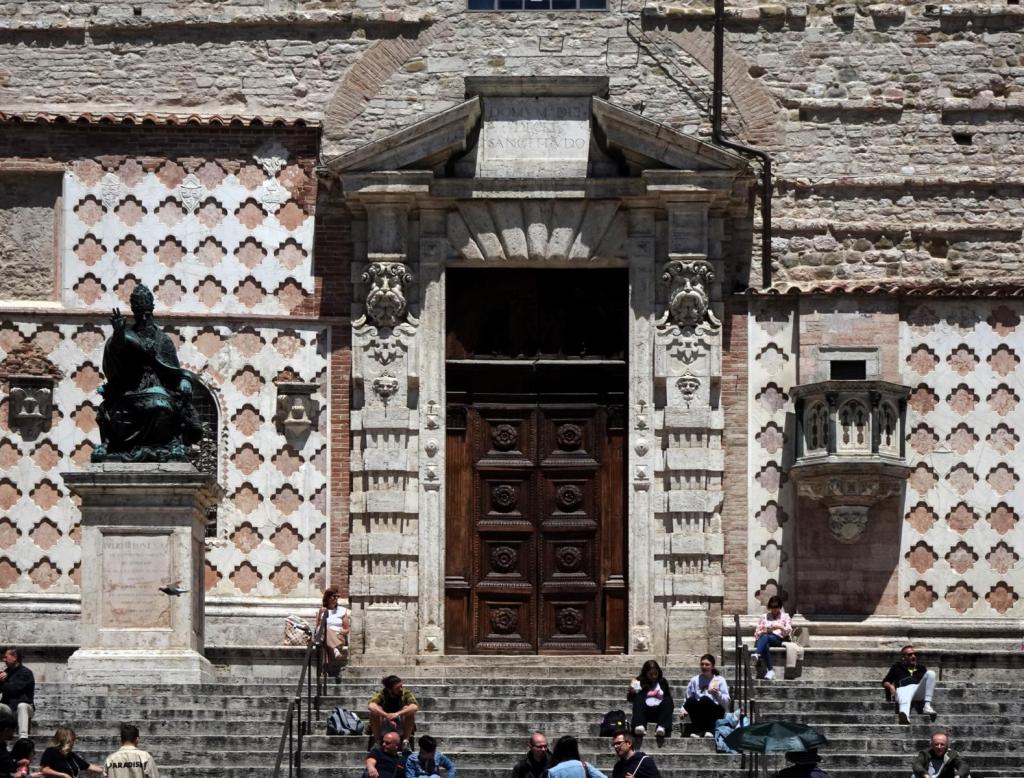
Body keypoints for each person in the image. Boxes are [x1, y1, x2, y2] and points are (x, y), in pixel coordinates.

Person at [92, 283, 203, 462]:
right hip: (129, 388)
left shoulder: (163, 341)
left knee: (160, 405)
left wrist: (184, 380)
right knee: (121, 410)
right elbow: (115, 358)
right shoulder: (127, 336)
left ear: (151, 312)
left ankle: (165, 446)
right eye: (140, 314)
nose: (144, 318)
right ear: (135, 314)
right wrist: (119, 335)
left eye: (147, 314)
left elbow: (174, 370)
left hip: (159, 386)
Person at [883, 645, 937, 725]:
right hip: (902, 691)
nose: (913, 656)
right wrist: (890, 686)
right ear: (903, 657)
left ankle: (927, 705)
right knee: (904, 690)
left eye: (914, 654)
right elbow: (885, 681)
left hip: (918, 691)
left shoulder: (921, 668)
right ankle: (904, 716)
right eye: (909, 655)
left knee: (931, 673)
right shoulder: (896, 667)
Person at [680, 654, 730, 738]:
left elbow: (726, 702)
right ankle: (698, 731)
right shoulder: (694, 680)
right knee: (691, 700)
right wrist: (683, 709)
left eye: (707, 664)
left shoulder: (720, 680)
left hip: (716, 711)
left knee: (704, 699)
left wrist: (717, 693)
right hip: (700, 711)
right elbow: (688, 697)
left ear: (712, 666)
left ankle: (710, 730)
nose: (704, 666)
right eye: (702, 664)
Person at [367, 676, 418, 752]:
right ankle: (378, 741)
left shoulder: (405, 693)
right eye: (397, 688)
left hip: (401, 723)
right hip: (384, 723)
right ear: (389, 689)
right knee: (376, 710)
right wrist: (386, 715)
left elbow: (414, 707)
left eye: (401, 686)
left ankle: (405, 742)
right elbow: (371, 706)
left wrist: (397, 714)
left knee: (407, 708)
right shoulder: (381, 694)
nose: (401, 689)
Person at [627, 660, 674, 738]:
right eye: (651, 674)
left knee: (668, 699)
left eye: (656, 674)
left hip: (659, 712)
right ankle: (639, 725)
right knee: (638, 697)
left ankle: (662, 726)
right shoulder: (639, 681)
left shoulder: (662, 682)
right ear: (645, 673)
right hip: (644, 713)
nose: (654, 676)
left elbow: (668, 698)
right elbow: (632, 699)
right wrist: (632, 691)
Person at [754, 596, 793, 681]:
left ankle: (757, 654)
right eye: (772, 608)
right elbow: (757, 632)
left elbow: (789, 631)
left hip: (777, 639)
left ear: (780, 607)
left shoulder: (785, 616)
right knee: (765, 643)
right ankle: (770, 670)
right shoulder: (764, 616)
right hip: (764, 638)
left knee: (766, 638)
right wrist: (765, 631)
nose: (774, 610)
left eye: (776, 608)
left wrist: (781, 627)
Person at [0, 649, 34, 740]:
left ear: (14, 658)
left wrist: (3, 682)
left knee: (21, 706)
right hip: (9, 707)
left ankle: (23, 738)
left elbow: (14, 689)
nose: (4, 660)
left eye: (6, 657)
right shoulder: (6, 673)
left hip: (25, 707)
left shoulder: (25, 673)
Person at [315, 588, 351, 666]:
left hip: (337, 636)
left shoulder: (342, 611)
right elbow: (317, 627)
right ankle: (334, 649)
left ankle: (333, 648)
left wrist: (342, 632)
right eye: (334, 596)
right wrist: (320, 613)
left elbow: (347, 629)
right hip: (323, 635)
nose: (336, 598)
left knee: (326, 631)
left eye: (338, 596)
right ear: (328, 597)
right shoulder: (321, 610)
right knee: (324, 628)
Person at [2, 712, 17, 778]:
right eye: (13, 731)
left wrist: (17, 763)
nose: (13, 734)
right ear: (6, 730)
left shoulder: (2, 744)